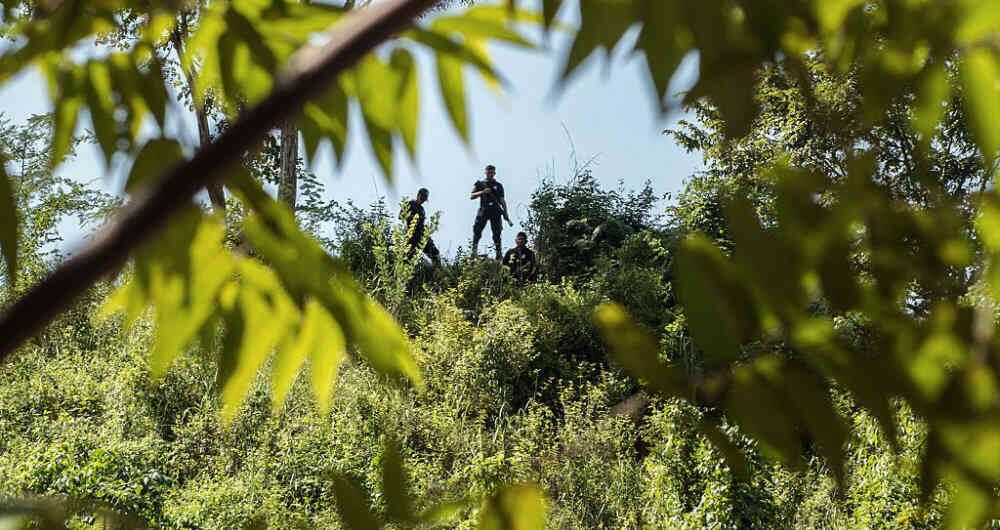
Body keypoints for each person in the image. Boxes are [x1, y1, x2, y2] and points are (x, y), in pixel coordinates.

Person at [470, 164, 512, 259]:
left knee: (497, 232)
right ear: (485, 172)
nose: (490, 174)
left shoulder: (498, 185)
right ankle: (473, 252)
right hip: (483, 210)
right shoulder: (480, 184)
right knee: (477, 230)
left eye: (492, 172)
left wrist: (505, 213)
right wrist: (482, 192)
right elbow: (472, 196)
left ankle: (498, 254)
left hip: (496, 211)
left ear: (494, 173)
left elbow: (502, 200)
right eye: (489, 172)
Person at [400, 188, 440, 265]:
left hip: (422, 235)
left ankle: (438, 272)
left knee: (434, 253)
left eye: (424, 199)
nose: (423, 201)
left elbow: (422, 224)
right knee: (408, 258)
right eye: (422, 198)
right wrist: (413, 217)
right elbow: (401, 216)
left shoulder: (422, 210)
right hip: (411, 236)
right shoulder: (409, 204)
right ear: (418, 195)